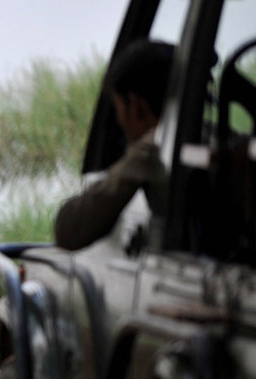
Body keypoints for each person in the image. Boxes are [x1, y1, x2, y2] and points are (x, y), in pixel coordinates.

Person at [54, 39, 175, 250]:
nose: (119, 121)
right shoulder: (207, 142)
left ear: (135, 106)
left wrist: (133, 159)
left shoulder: (153, 151)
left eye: (118, 108)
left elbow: (69, 229)